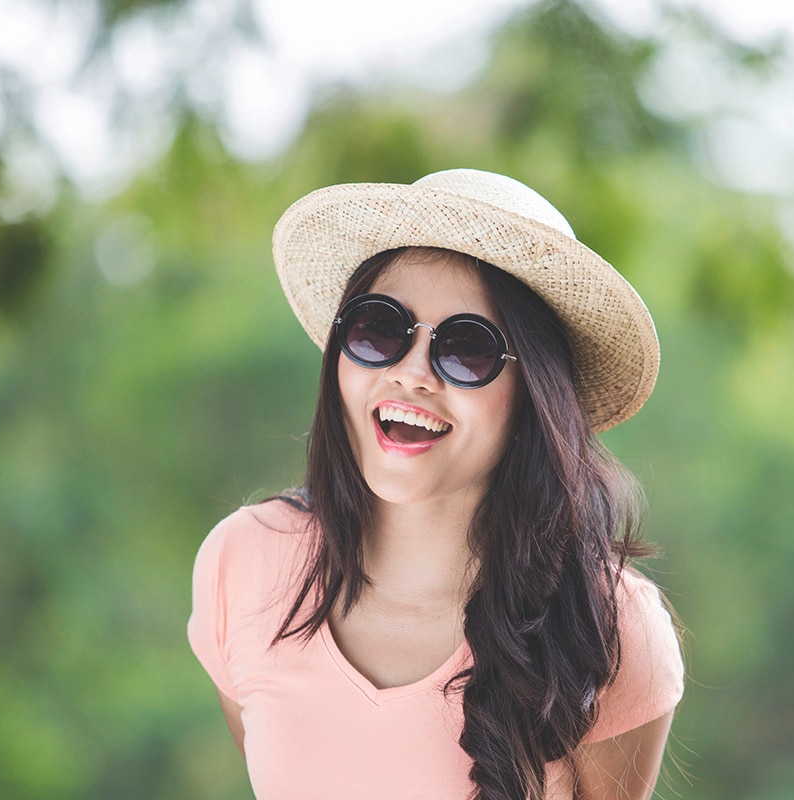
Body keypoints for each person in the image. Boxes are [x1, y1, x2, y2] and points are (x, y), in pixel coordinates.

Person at [187, 169, 684, 800]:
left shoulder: (609, 626)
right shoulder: (243, 562)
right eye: (378, 330)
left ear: (534, 393)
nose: (412, 373)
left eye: (467, 349)